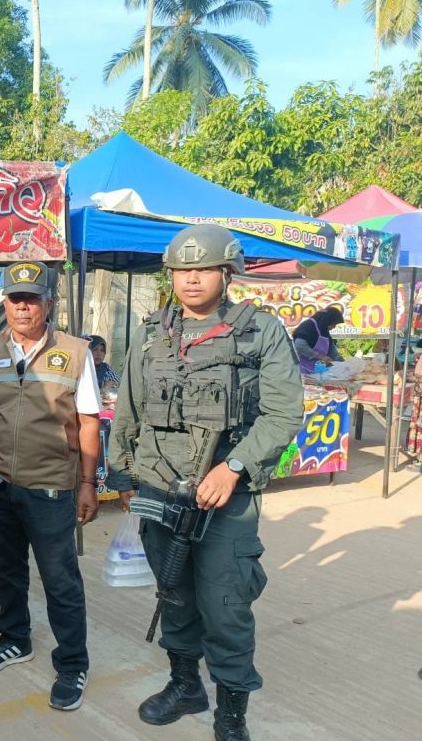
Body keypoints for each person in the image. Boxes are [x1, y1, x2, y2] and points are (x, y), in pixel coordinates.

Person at [109, 224, 304, 741]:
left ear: (227, 272)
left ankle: (231, 713)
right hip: (159, 489)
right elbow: (129, 409)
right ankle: (185, 686)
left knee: (225, 605)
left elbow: (284, 413)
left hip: (225, 497)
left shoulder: (260, 331)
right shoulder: (152, 333)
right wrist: (123, 473)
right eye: (181, 270)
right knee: (173, 593)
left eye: (202, 269)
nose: (190, 279)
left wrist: (234, 466)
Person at [0, 260, 101, 712]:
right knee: (7, 570)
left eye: (31, 299)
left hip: (50, 489)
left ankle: (72, 663)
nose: (22, 307)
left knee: (60, 581)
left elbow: (88, 422)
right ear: (5, 304)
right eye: (15, 299)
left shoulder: (75, 353)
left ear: (49, 303)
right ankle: (15, 639)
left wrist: (88, 483)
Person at [292, 307, 344, 374]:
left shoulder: (324, 332)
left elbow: (332, 351)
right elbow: (299, 346)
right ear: (327, 320)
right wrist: (320, 356)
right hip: (300, 370)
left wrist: (343, 364)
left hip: (315, 370)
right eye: (333, 324)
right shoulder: (308, 326)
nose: (334, 327)